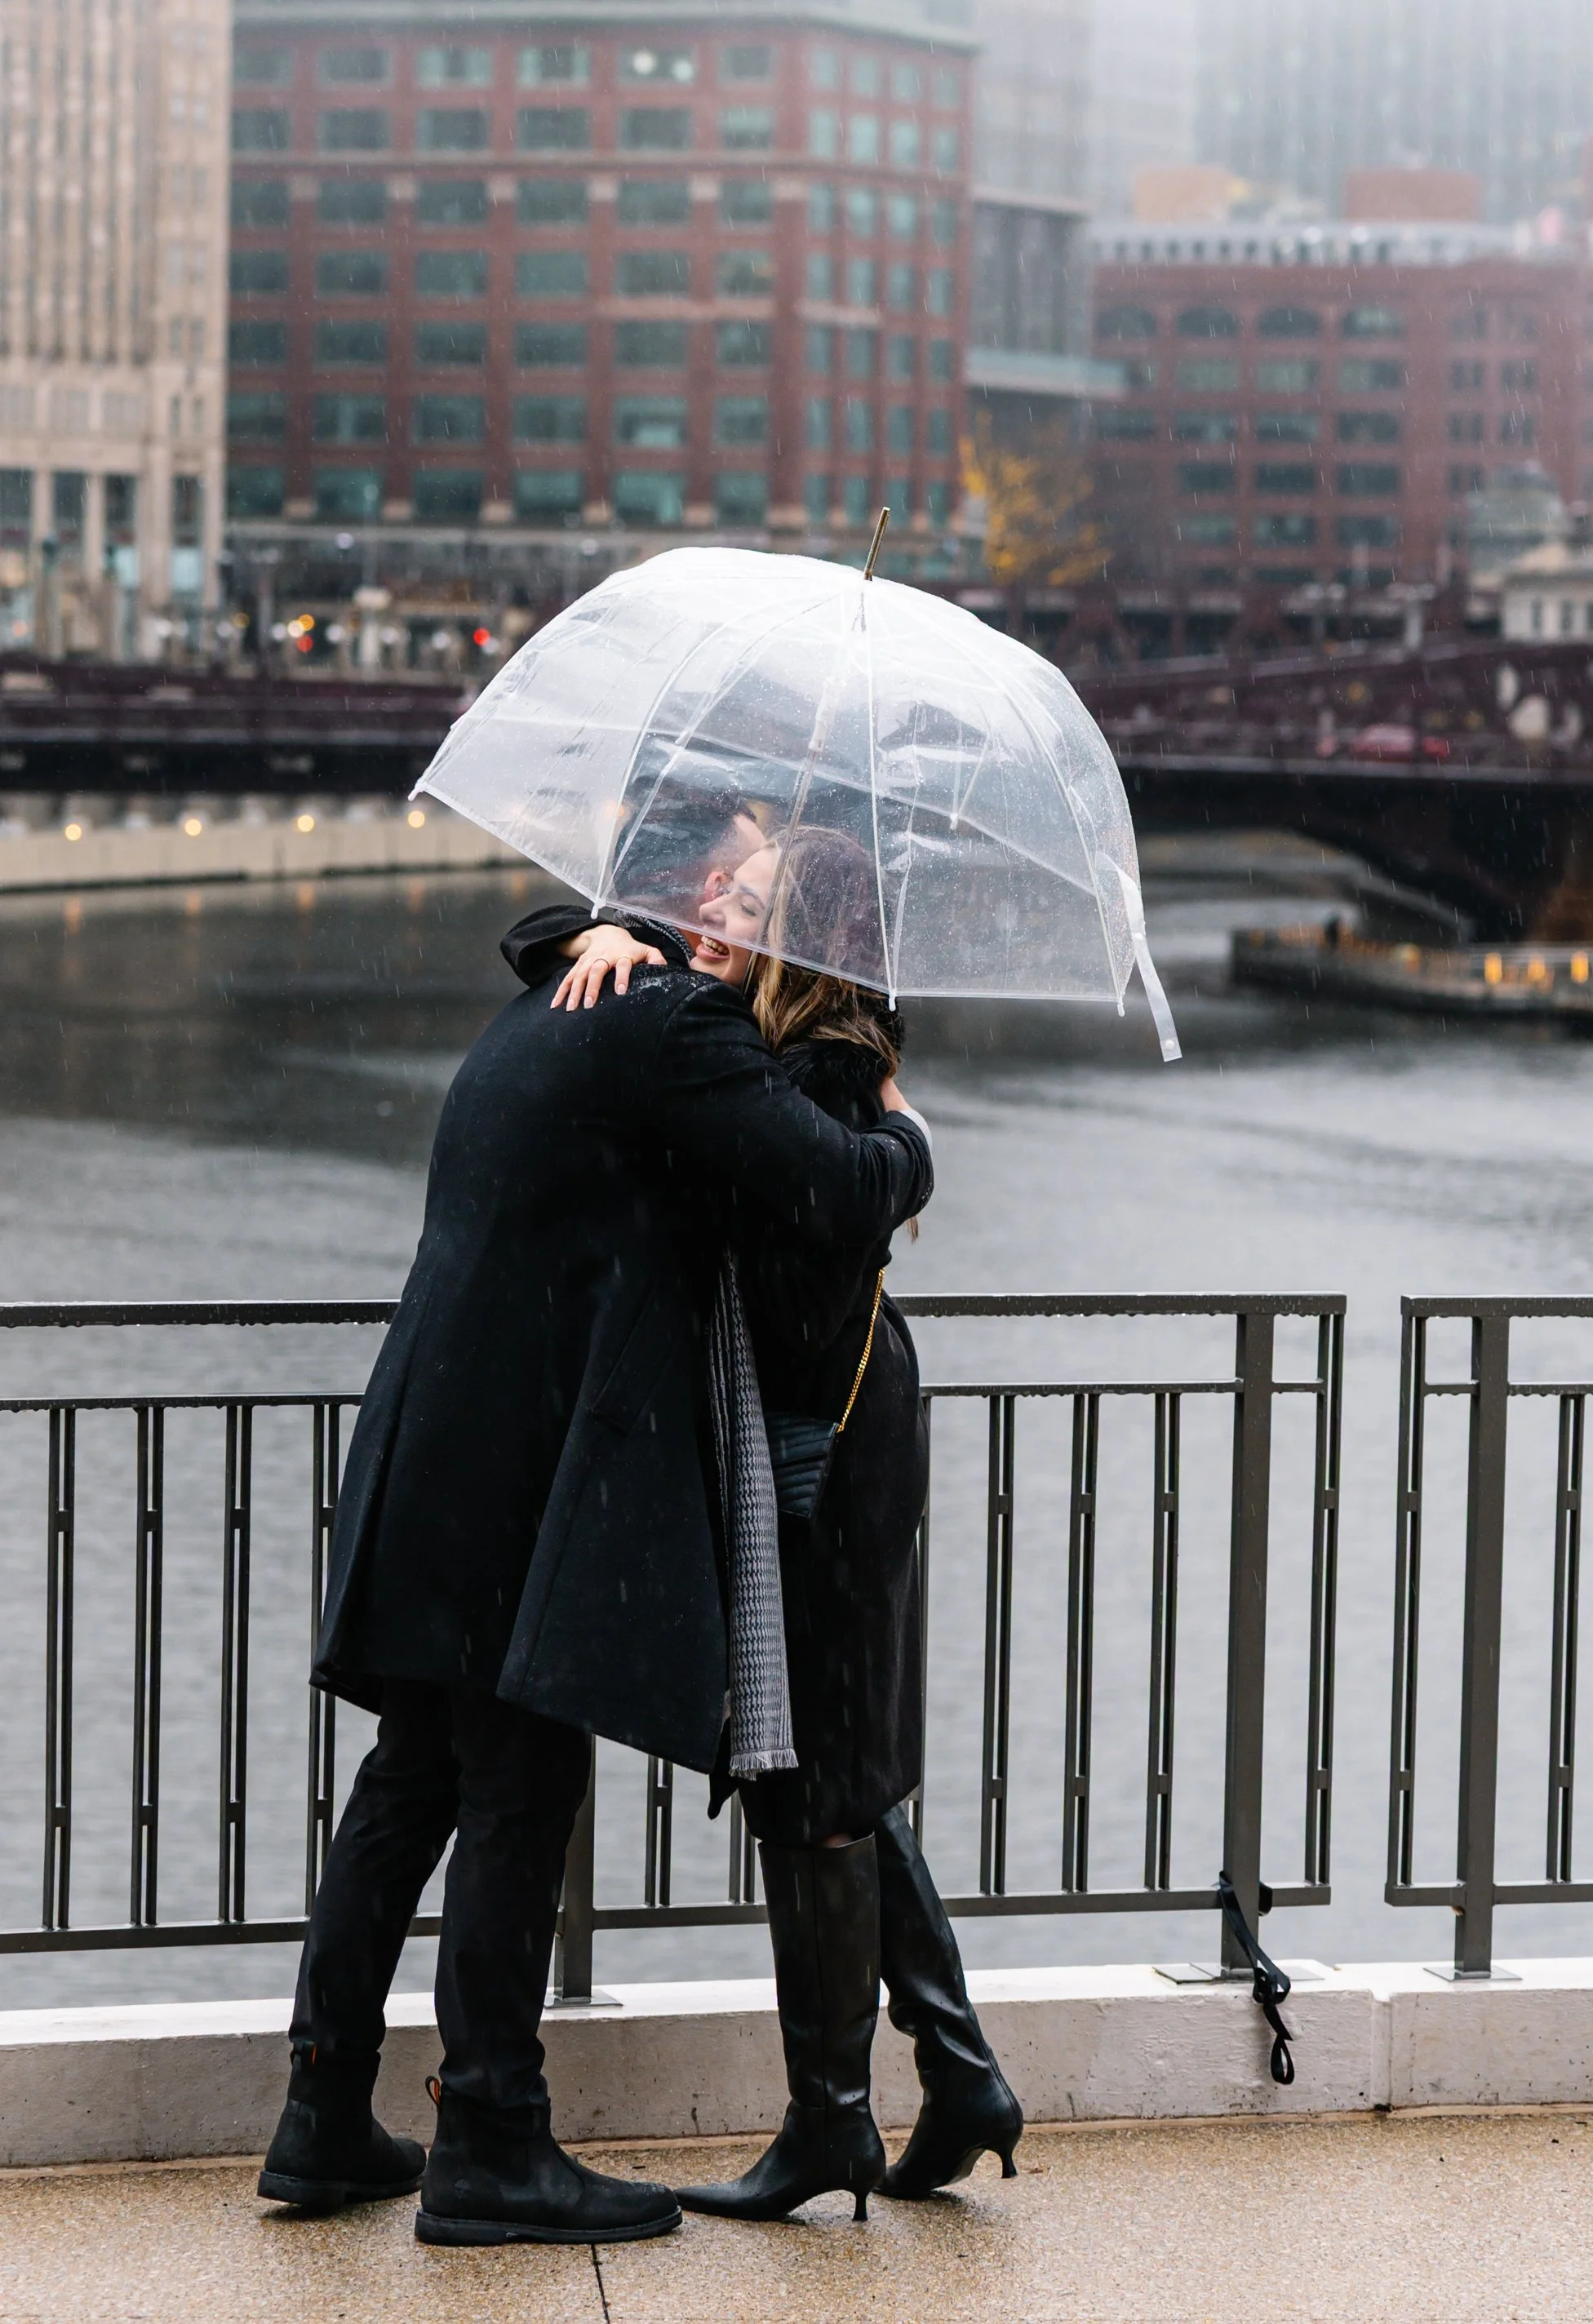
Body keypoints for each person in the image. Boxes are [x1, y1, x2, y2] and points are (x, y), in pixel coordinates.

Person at [256, 794, 934, 2251]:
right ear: (692, 895)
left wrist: (593, 923)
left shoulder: (553, 998)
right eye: (749, 890)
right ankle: (492, 2141)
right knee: (517, 1787)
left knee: (410, 1783)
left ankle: (320, 2116)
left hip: (432, 1433)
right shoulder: (664, 1020)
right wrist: (911, 1139)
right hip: (520, 1469)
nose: (765, 917)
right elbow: (830, 1191)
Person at [550, 824, 1023, 2222]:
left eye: (744, 899)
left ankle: (831, 2121)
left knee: (813, 1783)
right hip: (826, 1438)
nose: (711, 906)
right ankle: (957, 2065)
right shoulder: (798, 1053)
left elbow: (832, 1194)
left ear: (802, 936)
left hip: (830, 1450)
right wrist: (590, 935)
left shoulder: (818, 1069)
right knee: (839, 1769)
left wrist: (903, 1139)